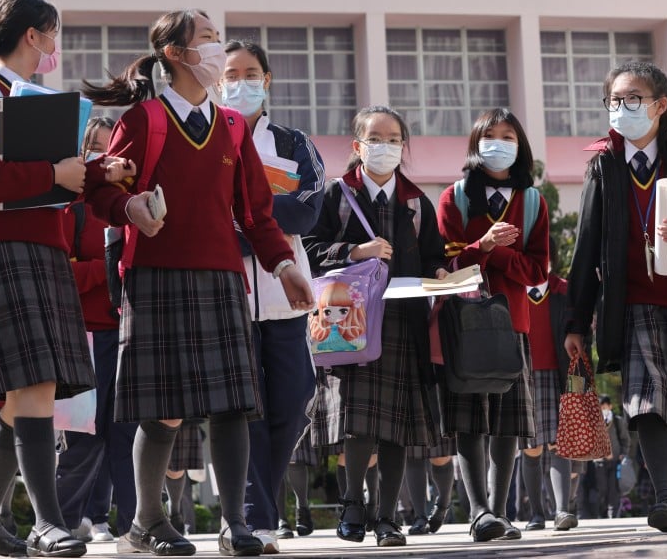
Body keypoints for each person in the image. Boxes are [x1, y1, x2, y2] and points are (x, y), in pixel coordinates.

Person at [83, 8, 314, 558]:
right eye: (207, 40)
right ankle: (144, 523)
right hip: (155, 277)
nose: (217, 51)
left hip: (222, 279)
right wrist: (130, 205)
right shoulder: (142, 121)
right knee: (162, 409)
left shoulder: (232, 127)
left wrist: (285, 269)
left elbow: (257, 214)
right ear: (176, 55)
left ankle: (236, 524)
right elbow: (101, 195)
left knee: (235, 404)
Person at [0, 0, 97, 558]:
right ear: (32, 35)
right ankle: (46, 522)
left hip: (40, 250)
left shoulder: (31, 96)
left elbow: (47, 176)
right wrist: (53, 173)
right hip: (1, 250)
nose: (55, 45)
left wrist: (94, 170)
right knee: (34, 387)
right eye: (52, 33)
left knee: (24, 396)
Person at [565, 60, 667, 534]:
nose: (622, 109)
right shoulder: (602, 167)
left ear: (660, 106)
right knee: (647, 398)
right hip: (633, 307)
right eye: (615, 101)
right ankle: (664, 499)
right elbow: (585, 250)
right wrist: (576, 324)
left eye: (633, 99)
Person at [303, 105, 448, 549]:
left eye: (393, 139)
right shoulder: (336, 195)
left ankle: (387, 517)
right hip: (352, 323)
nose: (384, 146)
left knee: (397, 426)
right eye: (376, 138)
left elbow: (433, 256)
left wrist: (442, 273)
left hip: (404, 323)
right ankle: (351, 504)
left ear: (403, 147)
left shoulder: (416, 202)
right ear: (358, 145)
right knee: (360, 421)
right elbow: (309, 249)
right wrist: (355, 251)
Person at [220, 39, 324, 547]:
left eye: (251, 71)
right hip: (230, 297)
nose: (241, 81)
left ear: (268, 79)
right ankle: (254, 517)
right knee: (245, 409)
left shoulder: (294, 142)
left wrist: (251, 211)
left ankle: (259, 504)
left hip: (287, 296)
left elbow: (308, 210)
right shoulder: (212, 140)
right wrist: (258, 220)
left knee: (294, 398)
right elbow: (206, 217)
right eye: (231, 73)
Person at [435, 107, 550, 543]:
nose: (499, 143)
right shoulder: (455, 196)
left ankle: (501, 512)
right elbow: (448, 262)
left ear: (520, 147)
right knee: (470, 420)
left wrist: (492, 253)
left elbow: (538, 271)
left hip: (514, 323)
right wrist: (482, 245)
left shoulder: (533, 201)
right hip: (466, 324)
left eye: (509, 136)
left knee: (507, 421)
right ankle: (479, 511)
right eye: (490, 136)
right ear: (475, 144)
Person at [56, 116, 137, 544]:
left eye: (120, 153)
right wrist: (108, 272)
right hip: (86, 335)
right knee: (83, 439)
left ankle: (134, 525)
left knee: (128, 434)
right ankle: (61, 522)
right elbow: (61, 273)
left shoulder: (136, 204)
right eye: (103, 152)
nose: (113, 162)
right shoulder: (74, 208)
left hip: (131, 334)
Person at [519, 236, 582, 532]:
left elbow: (581, 338)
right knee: (531, 449)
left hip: (559, 377)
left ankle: (562, 511)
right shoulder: (513, 290)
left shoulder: (564, 291)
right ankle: (536, 513)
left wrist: (578, 385)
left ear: (550, 258)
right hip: (523, 377)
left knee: (560, 445)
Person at [594, 394, 630, 519]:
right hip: (599, 461)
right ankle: (601, 513)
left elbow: (625, 440)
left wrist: (622, 454)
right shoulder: (594, 422)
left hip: (615, 461)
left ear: (610, 406)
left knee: (613, 489)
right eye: (600, 406)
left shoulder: (617, 420)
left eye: (605, 406)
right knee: (602, 488)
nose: (603, 408)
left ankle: (612, 514)